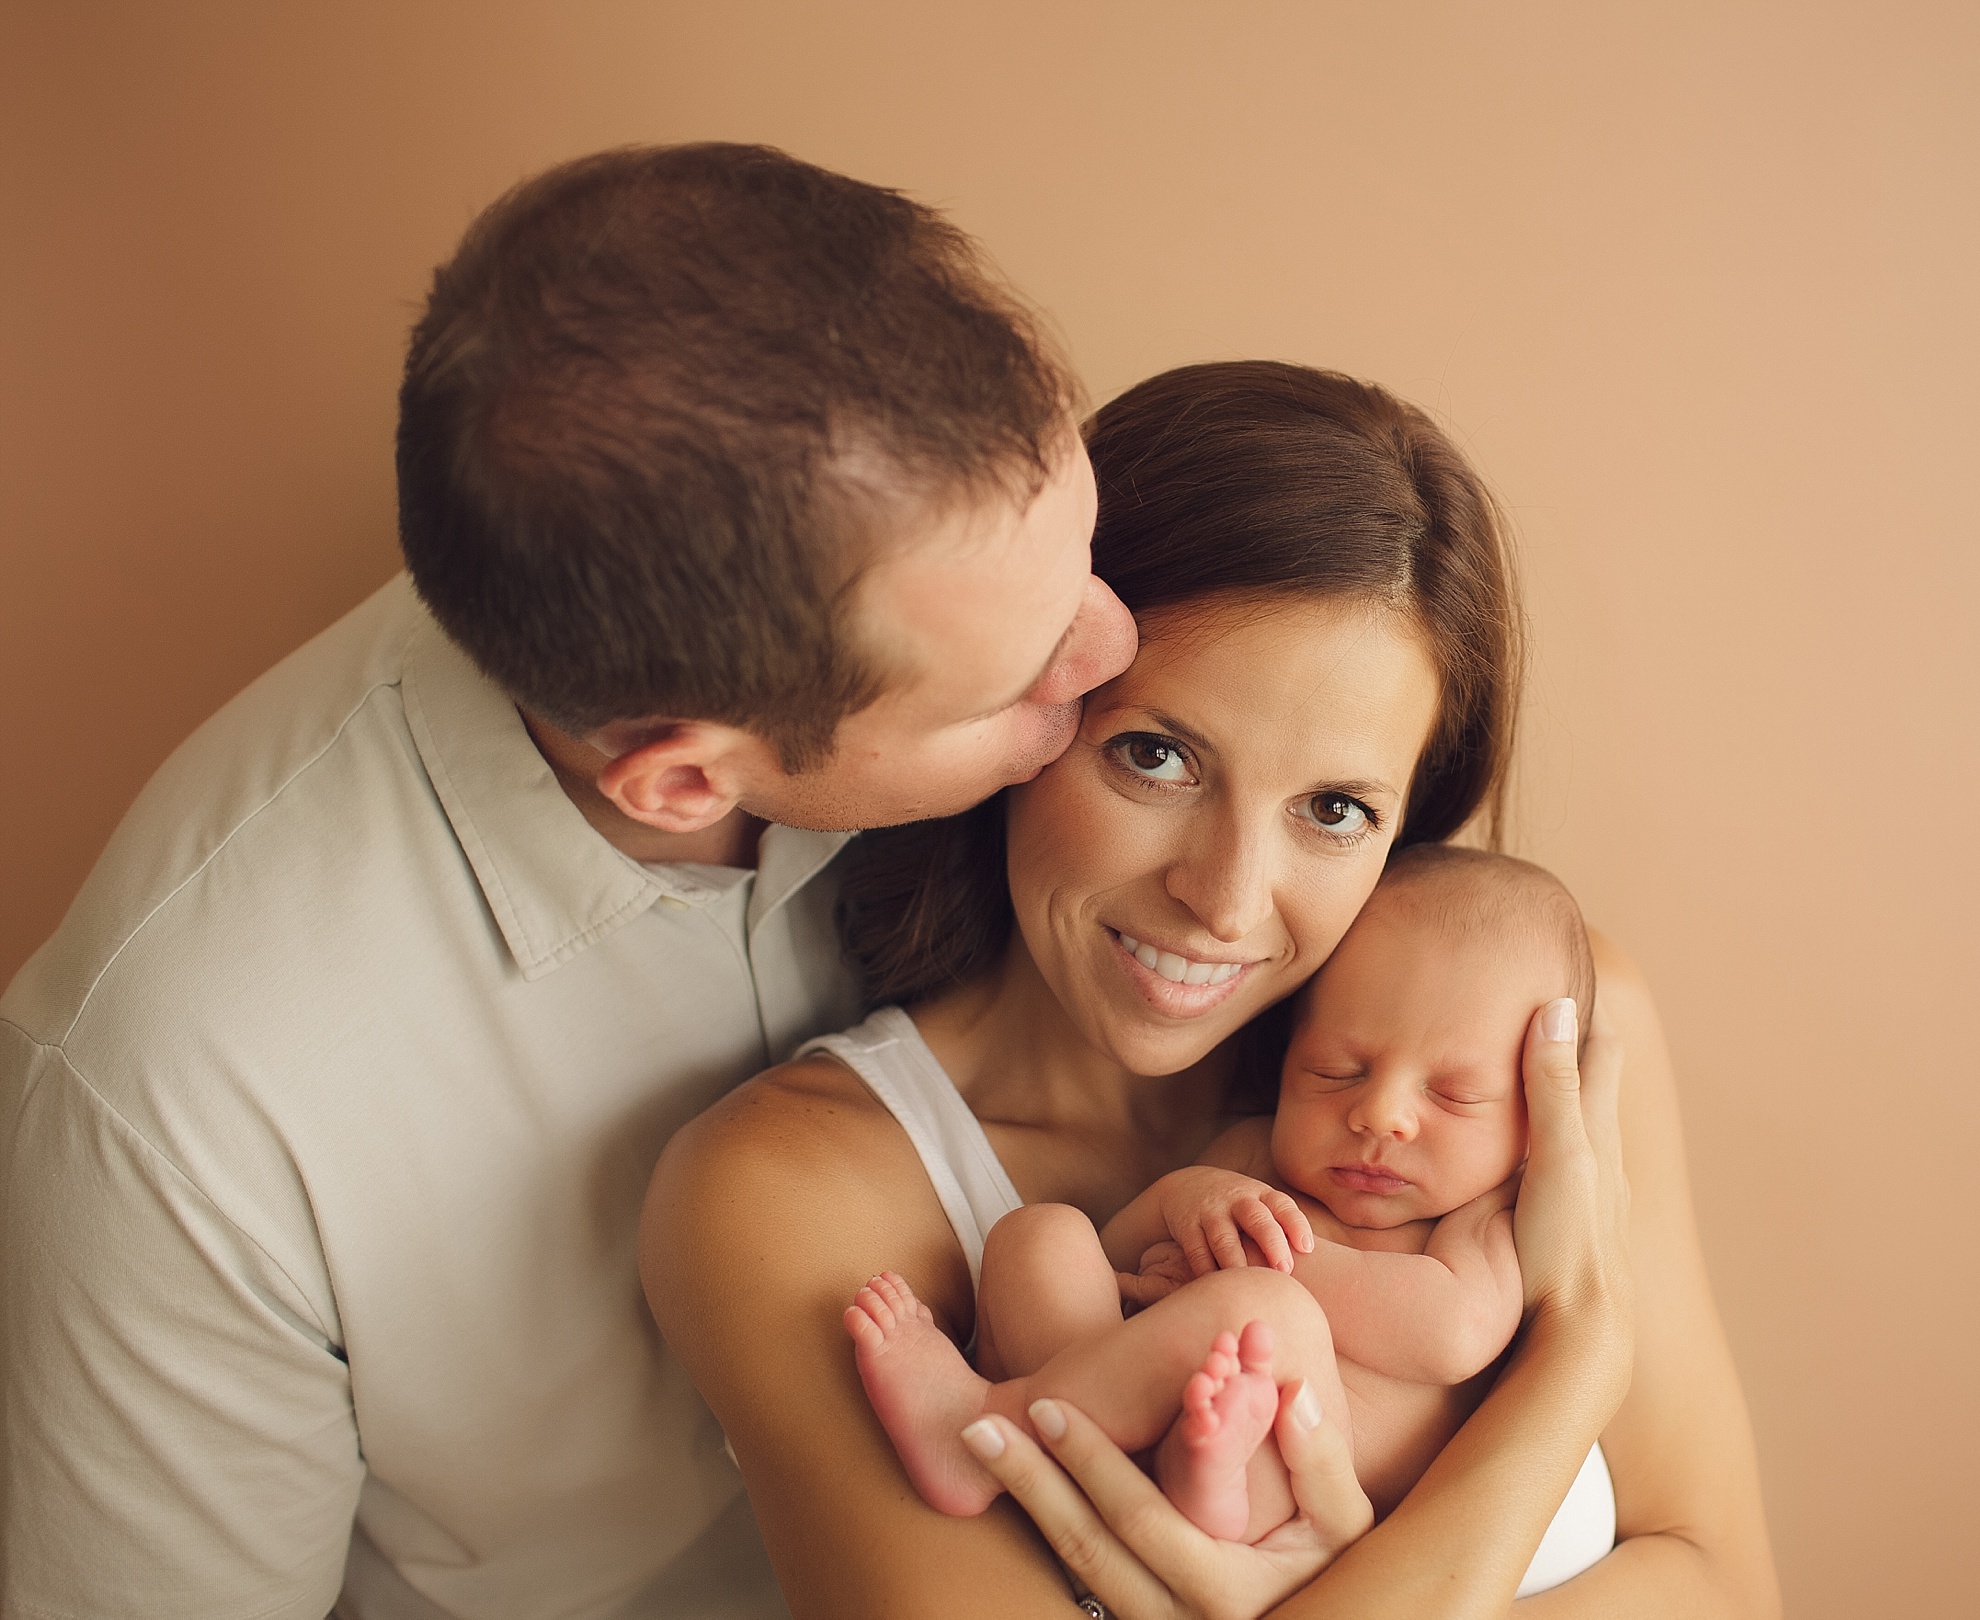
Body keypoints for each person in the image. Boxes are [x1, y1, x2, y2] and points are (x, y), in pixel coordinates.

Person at [0, 143, 1135, 1620]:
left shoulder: (918, 581)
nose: (1109, 652)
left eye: (1087, 547)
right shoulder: (176, 1114)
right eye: (1011, 688)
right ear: (678, 780)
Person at [642, 361, 1782, 1617]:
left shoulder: (1534, 1041)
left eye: (1335, 810)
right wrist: (1576, 1364)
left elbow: (1722, 1583)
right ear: (1030, 714)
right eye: (1157, 757)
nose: (1229, 900)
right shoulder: (789, 1197)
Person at [846, 846, 1593, 1566]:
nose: (1380, 1115)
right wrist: (1184, 1200)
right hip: (1134, 1392)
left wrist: (1268, 1271)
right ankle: (1103, 1448)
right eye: (1336, 1072)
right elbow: (1121, 1260)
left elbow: (1452, 1333)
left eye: (1455, 1095)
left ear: (1534, 1116)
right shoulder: (1255, 1157)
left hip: (1290, 1464)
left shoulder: (1486, 1215)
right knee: (1040, 1235)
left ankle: (992, 1435)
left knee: (1271, 1317)